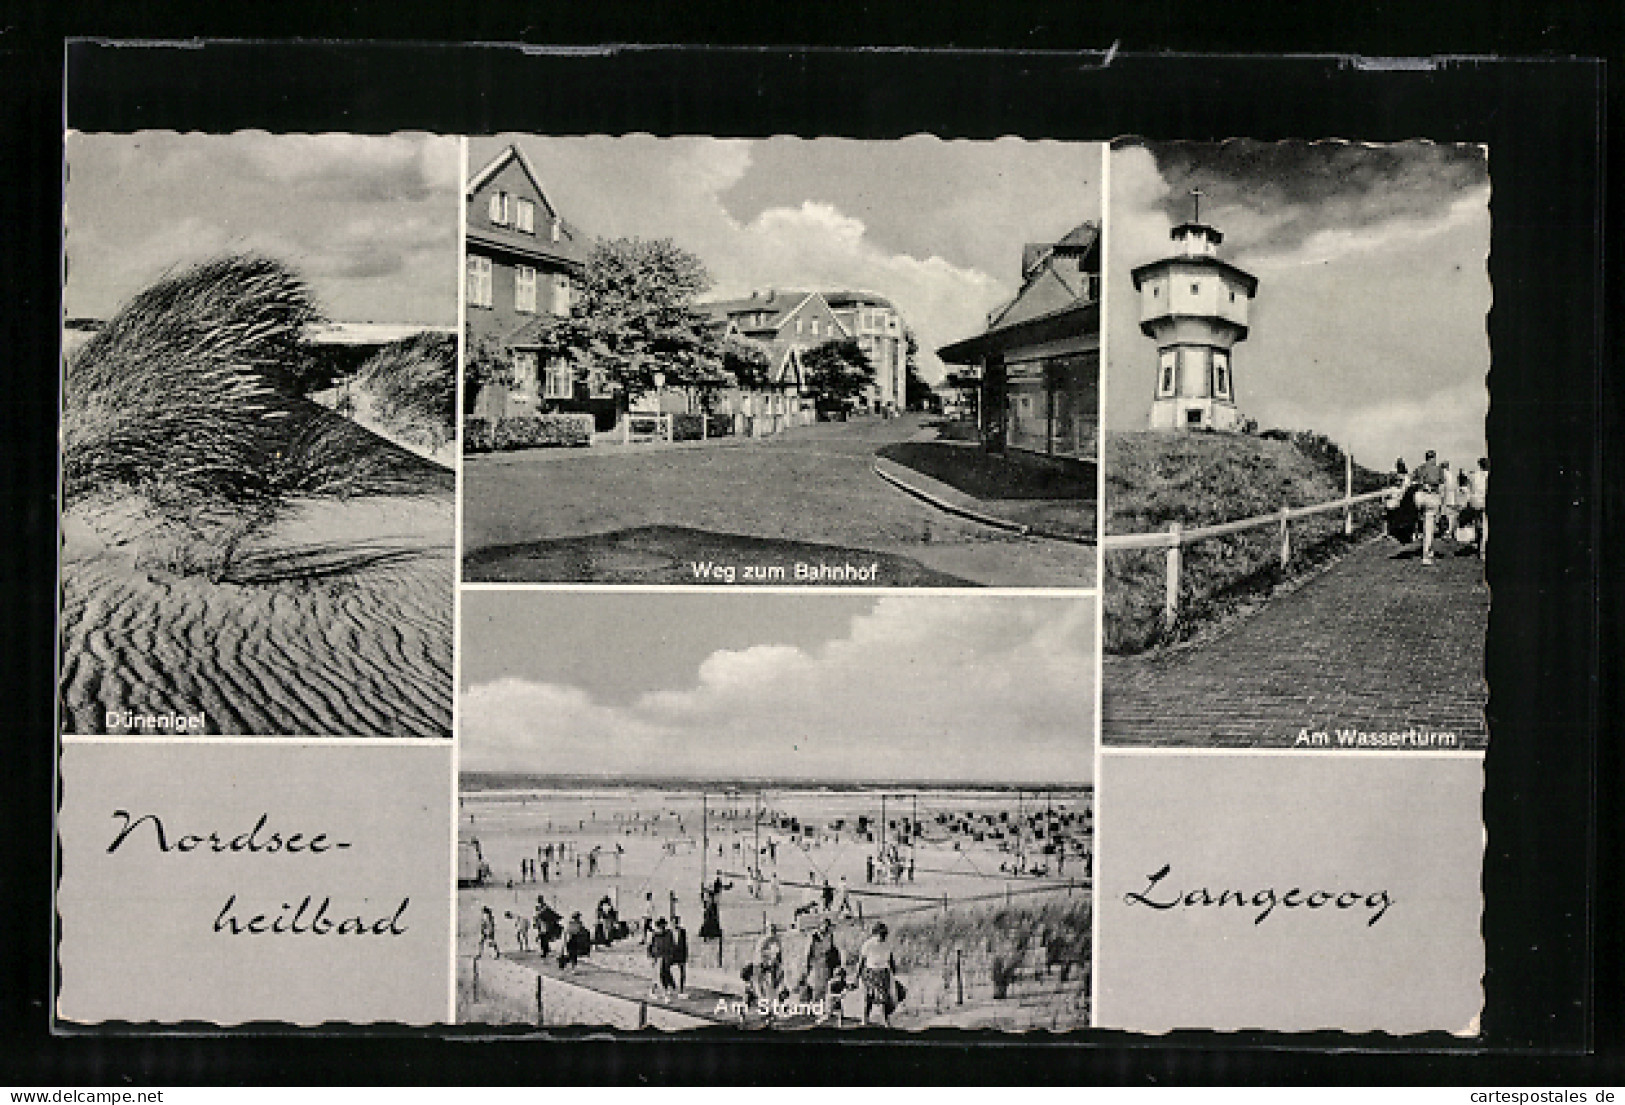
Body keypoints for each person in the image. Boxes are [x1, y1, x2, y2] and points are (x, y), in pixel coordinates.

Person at [856, 921, 900, 1027]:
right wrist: (857, 975)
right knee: (869, 997)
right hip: (870, 972)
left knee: (885, 999)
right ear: (875, 933)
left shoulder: (887, 944)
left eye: (885, 934)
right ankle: (865, 1019)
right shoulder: (868, 944)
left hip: (883, 973)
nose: (883, 936)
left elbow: (890, 959)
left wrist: (893, 973)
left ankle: (886, 1021)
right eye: (881, 934)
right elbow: (861, 961)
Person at [1412, 450, 1446, 565]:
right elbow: (1442, 486)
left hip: (1420, 496)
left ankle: (1416, 530)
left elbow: (1412, 480)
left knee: (1421, 518)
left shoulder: (1420, 468)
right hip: (1431, 497)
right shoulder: (1438, 469)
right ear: (1434, 458)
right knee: (1429, 526)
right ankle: (1426, 555)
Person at [804, 917, 841, 1003]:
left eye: (828, 926)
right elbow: (808, 954)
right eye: (824, 925)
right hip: (816, 964)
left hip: (826, 965)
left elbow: (832, 950)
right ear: (820, 926)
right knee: (815, 987)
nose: (826, 928)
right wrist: (807, 968)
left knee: (826, 988)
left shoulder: (829, 936)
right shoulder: (813, 937)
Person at [754, 924, 785, 1005]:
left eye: (774, 931)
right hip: (761, 963)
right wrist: (766, 962)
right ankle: (761, 998)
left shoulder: (777, 940)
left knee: (776, 980)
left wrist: (779, 964)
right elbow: (759, 954)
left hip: (772, 963)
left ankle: (777, 997)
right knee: (760, 982)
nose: (772, 933)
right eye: (770, 930)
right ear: (767, 931)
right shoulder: (763, 940)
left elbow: (779, 954)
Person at [647, 917, 675, 1001]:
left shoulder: (668, 934)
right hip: (657, 957)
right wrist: (651, 957)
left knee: (660, 975)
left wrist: (671, 956)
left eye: (663, 926)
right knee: (659, 975)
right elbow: (650, 946)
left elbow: (671, 945)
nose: (661, 928)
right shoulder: (655, 935)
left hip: (666, 956)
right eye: (660, 926)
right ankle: (664, 995)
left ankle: (652, 991)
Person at [1470, 456, 1490, 555]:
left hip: (1475, 501)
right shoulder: (1488, 475)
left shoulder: (1474, 475)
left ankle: (1477, 543)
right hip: (1484, 500)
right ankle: (1483, 549)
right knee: (1485, 524)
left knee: (1477, 523)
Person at [670, 914, 690, 997]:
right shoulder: (668, 932)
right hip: (672, 954)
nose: (675, 924)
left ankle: (681, 989)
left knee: (682, 972)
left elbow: (685, 944)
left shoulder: (682, 931)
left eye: (676, 922)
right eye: (674, 922)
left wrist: (686, 955)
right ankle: (671, 986)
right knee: (665, 969)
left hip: (680, 954)